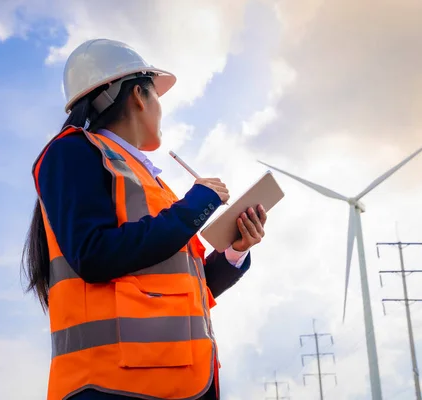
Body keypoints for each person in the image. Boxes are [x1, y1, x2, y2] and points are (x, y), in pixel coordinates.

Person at [21, 38, 268, 400]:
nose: (160, 109)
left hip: (182, 383)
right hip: (111, 385)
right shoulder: (74, 151)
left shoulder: (151, 184)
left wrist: (234, 252)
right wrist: (196, 204)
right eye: (157, 97)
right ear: (139, 95)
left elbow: (181, 291)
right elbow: (93, 254)